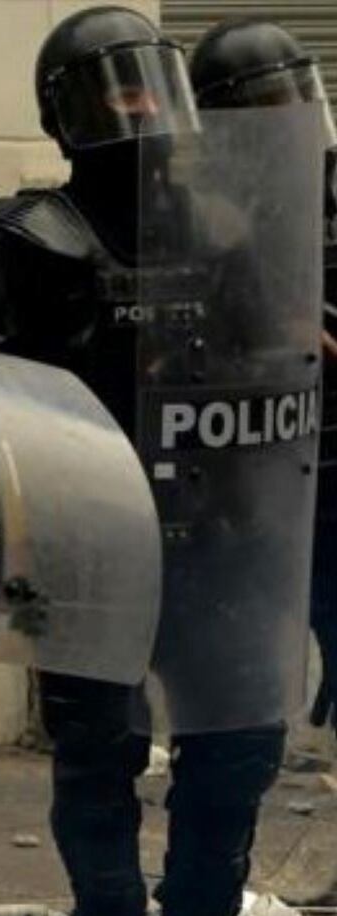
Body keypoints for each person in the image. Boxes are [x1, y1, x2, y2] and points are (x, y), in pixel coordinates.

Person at [0, 5, 297, 916]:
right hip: (87, 544)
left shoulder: (223, 232)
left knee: (241, 736)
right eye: (114, 89)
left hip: (217, 533)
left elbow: (274, 365)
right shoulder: (25, 245)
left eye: (149, 83)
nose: (138, 108)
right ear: (65, 116)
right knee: (99, 753)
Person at [189, 20, 337, 747]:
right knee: (238, 705)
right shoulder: (203, 222)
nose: (294, 119)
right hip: (256, 483)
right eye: (272, 105)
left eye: (299, 95)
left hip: (326, 476)